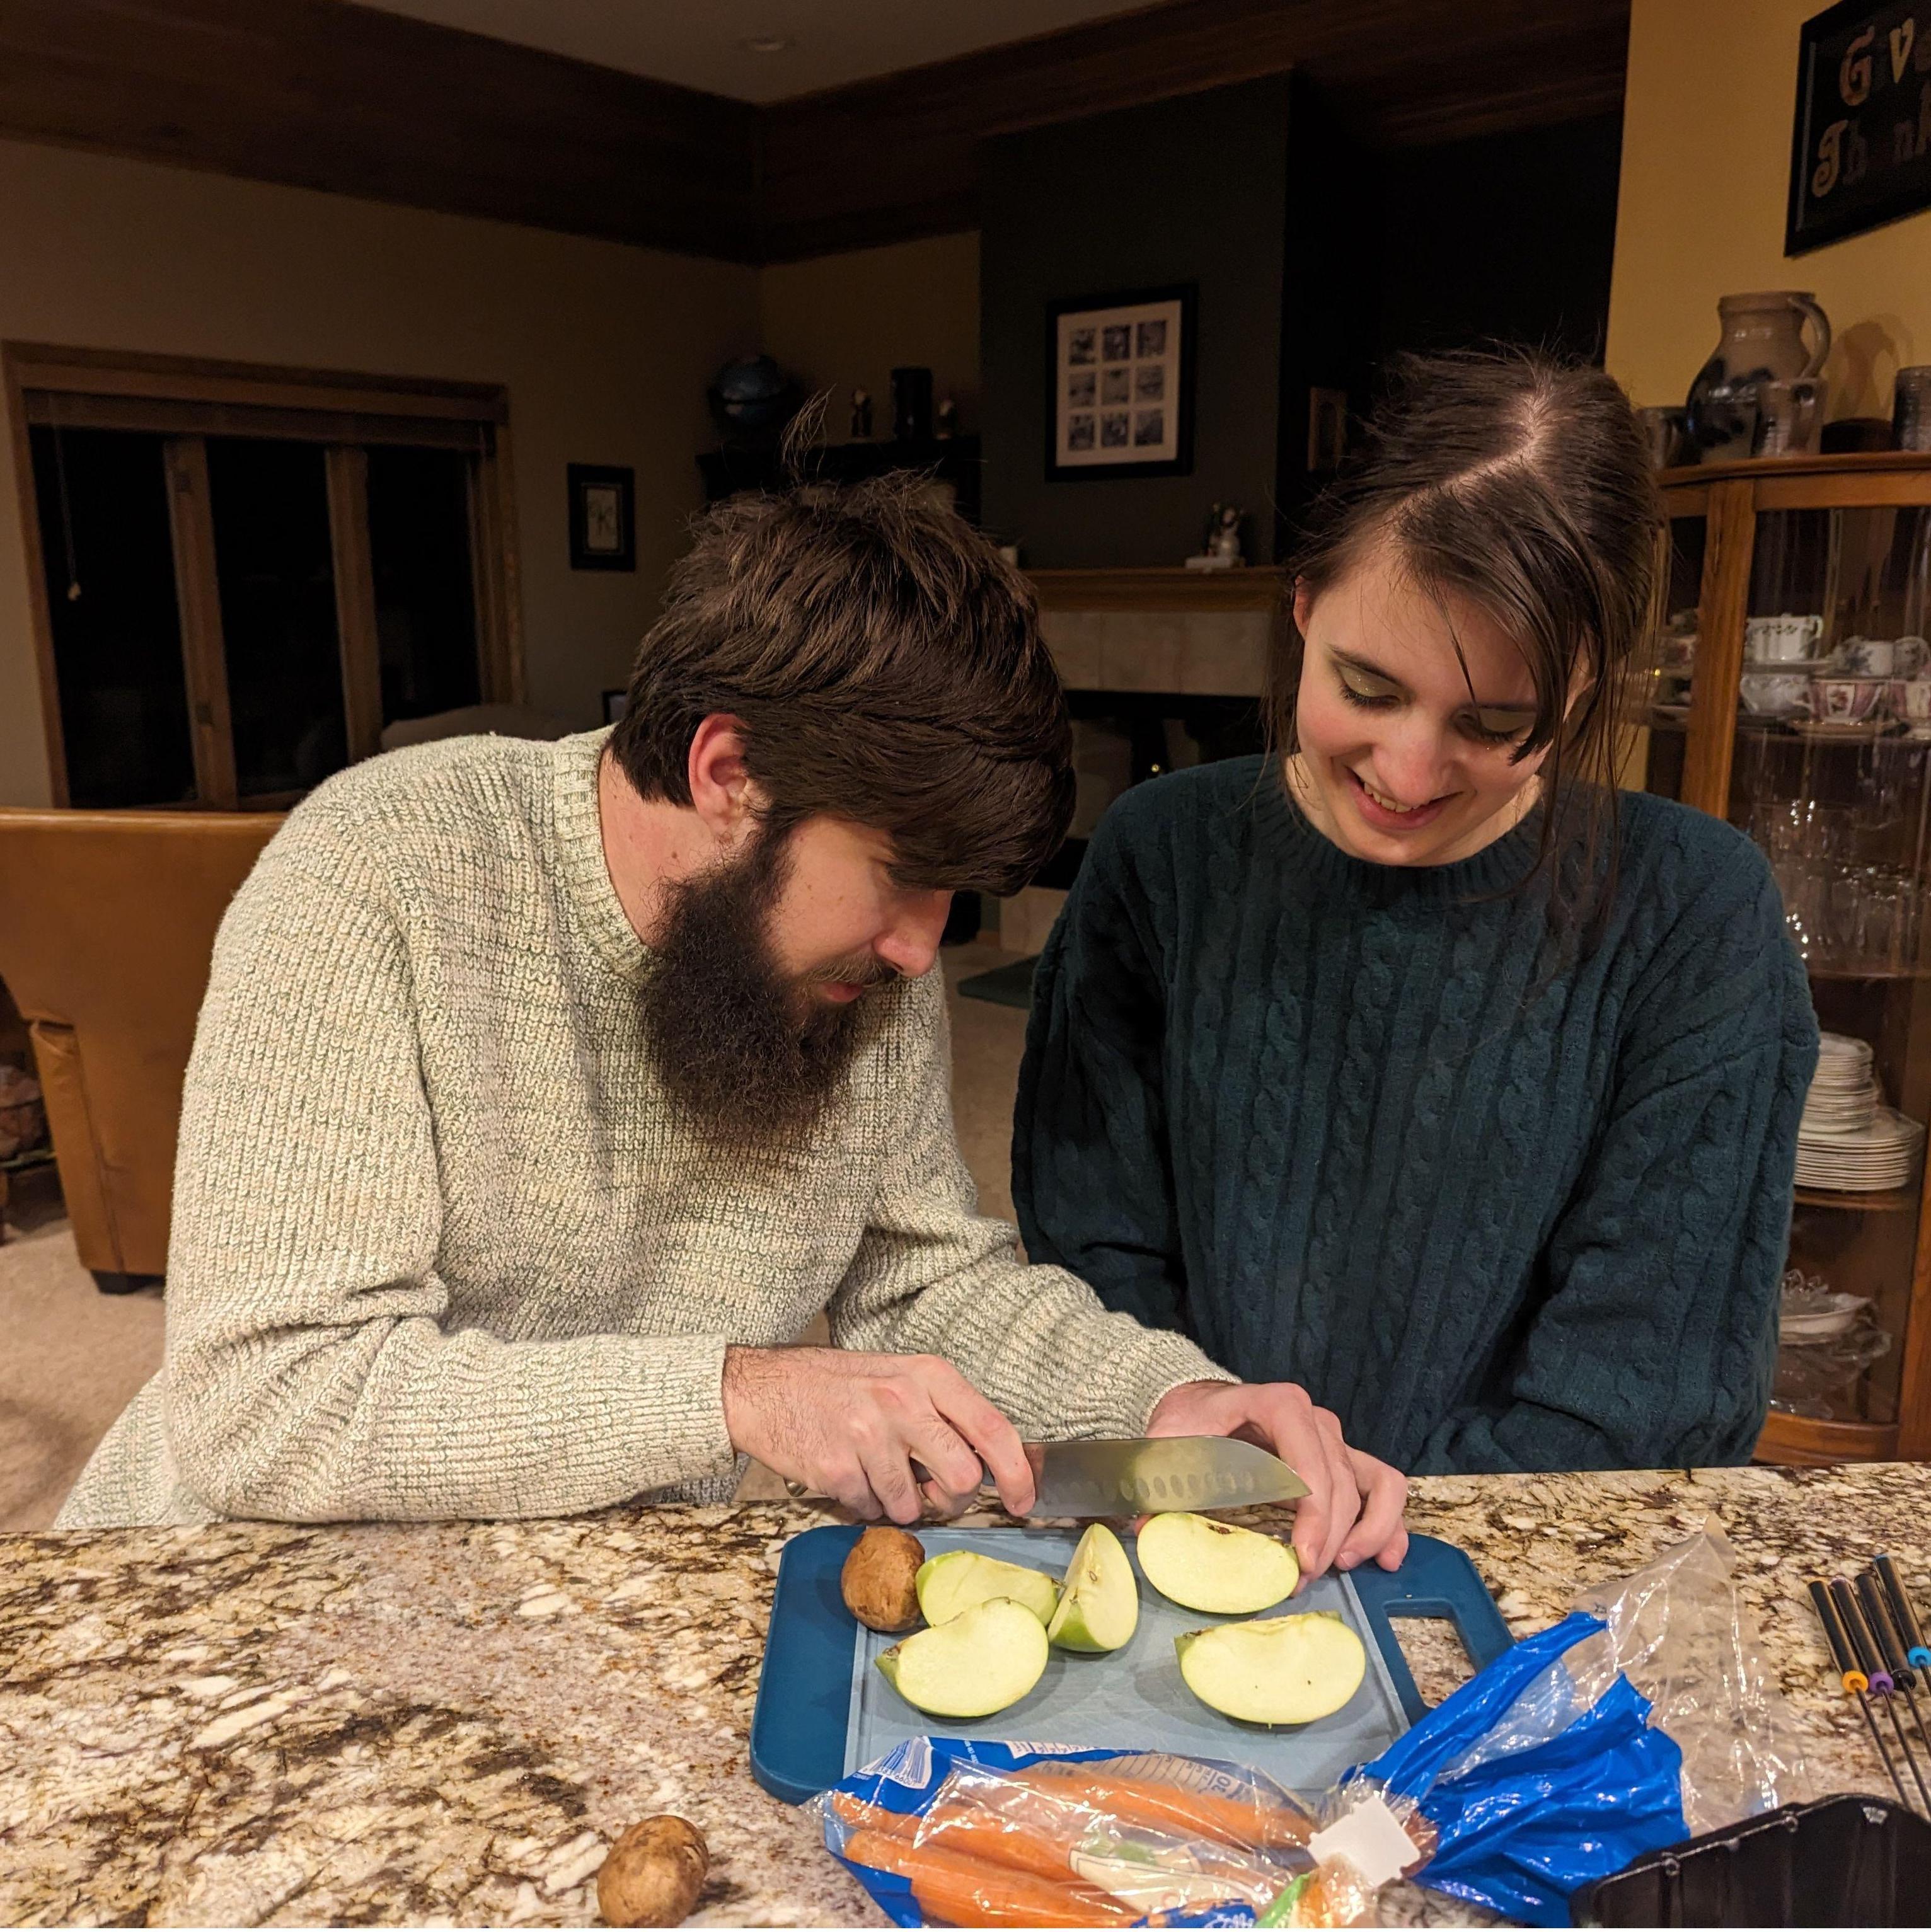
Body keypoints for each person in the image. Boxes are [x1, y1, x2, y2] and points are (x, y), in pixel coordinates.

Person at [59, 475, 1408, 1576]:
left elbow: (918, 1280)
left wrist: (1161, 1403)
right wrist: (736, 1394)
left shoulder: (863, 968)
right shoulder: (377, 871)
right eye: (900, 874)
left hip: (579, 1594)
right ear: (726, 771)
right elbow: (270, 1406)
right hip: (212, 1599)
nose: (923, 949)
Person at [1015, 350, 1819, 1474]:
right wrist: (1227, 1467)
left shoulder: (1696, 915)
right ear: (1303, 606)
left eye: (1493, 724)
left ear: (1582, 689)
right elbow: (1091, 1259)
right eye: (1367, 688)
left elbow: (1644, 1391)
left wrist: (1389, 1520)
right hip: (1203, 1519)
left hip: (1517, 1553)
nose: (1406, 771)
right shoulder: (1162, 856)